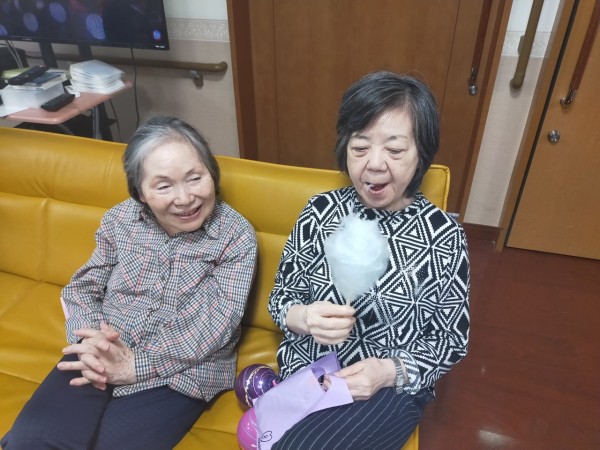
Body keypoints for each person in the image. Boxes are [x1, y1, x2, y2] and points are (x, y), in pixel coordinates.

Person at [1, 116, 258, 450]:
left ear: (212, 174)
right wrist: (93, 343)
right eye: (163, 186)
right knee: (31, 441)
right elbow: (83, 287)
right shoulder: (120, 220)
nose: (185, 198)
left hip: (182, 371)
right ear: (140, 193)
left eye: (195, 178)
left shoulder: (235, 236)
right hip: (105, 348)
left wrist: (137, 365)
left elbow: (217, 323)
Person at [267, 71, 470, 449]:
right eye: (360, 147)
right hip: (311, 373)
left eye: (395, 150)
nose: (374, 164)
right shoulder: (319, 212)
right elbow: (281, 300)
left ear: (421, 154)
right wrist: (304, 317)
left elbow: (451, 340)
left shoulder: (444, 236)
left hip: (388, 390)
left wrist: (388, 371)